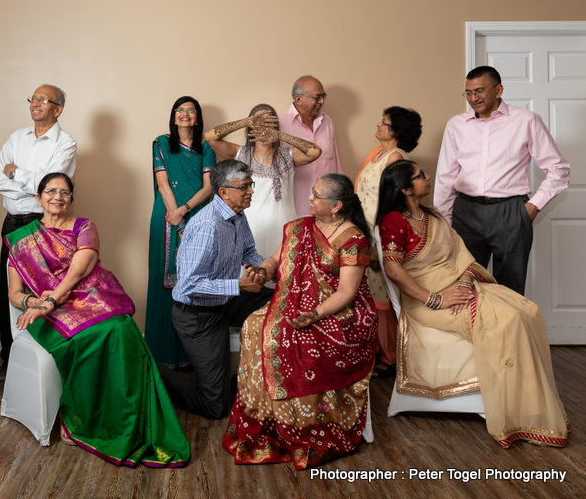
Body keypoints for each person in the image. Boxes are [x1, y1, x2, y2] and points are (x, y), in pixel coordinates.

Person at [377, 159, 569, 448]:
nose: (428, 177)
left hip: (458, 288)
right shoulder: (395, 220)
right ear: (405, 189)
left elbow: (461, 257)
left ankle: (528, 405)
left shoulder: (433, 216)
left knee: (526, 310)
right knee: (507, 320)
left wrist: (465, 283)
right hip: (425, 303)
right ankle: (518, 414)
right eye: (420, 176)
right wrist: (437, 299)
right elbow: (393, 270)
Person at [6, 173, 189, 467]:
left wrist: (52, 299)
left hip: (90, 297)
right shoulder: (22, 240)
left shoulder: (84, 226)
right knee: (88, 338)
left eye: (65, 192)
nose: (58, 197)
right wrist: (34, 302)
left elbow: (78, 271)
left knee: (120, 329)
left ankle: (130, 416)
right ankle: (82, 419)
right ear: (38, 198)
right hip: (48, 312)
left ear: (71, 199)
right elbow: (14, 293)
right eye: (50, 191)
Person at [223, 173, 377, 469]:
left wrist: (315, 314)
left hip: (341, 313)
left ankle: (302, 424)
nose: (309, 198)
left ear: (336, 206)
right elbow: (275, 259)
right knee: (255, 325)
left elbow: (347, 291)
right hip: (295, 303)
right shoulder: (300, 228)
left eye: (316, 196)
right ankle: (267, 418)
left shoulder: (353, 239)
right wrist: (263, 272)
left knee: (293, 339)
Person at [434, 65, 570, 295]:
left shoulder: (526, 121)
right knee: (462, 284)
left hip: (511, 212)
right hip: (465, 213)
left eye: (479, 91)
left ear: (498, 90)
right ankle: (473, 332)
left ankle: (508, 332)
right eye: (468, 92)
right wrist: (443, 224)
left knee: (510, 288)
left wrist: (532, 207)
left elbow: (558, 169)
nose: (473, 98)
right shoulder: (456, 125)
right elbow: (445, 178)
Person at [159, 160, 267, 420]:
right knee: (214, 407)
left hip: (226, 301)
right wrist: (239, 285)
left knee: (280, 302)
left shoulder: (238, 214)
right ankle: (153, 370)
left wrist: (257, 269)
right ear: (223, 192)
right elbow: (189, 285)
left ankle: (244, 377)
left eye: (250, 184)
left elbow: (249, 250)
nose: (251, 191)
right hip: (197, 316)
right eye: (244, 187)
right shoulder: (207, 226)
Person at [0, 84, 77, 381]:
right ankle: (9, 357)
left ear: (58, 109)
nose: (35, 103)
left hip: (43, 224)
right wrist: (28, 182)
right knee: (9, 292)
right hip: (12, 221)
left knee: (43, 290)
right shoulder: (16, 138)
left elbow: (48, 186)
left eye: (43, 99)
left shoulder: (66, 143)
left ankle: (45, 358)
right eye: (33, 98)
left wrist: (15, 173)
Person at [144, 96, 215, 366]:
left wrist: (184, 211)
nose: (185, 114)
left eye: (191, 111)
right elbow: (163, 184)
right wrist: (176, 219)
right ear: (173, 117)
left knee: (195, 280)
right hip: (165, 217)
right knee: (164, 280)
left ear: (197, 118)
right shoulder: (161, 143)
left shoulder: (206, 147)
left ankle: (191, 355)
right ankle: (162, 353)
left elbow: (209, 188)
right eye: (180, 110)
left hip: (197, 214)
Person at [203, 103, 321, 258]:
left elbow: (315, 152)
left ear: (276, 126)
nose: (263, 126)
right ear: (250, 126)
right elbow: (210, 137)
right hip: (249, 229)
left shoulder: (288, 156)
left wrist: (280, 136)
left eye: (268, 122)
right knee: (251, 276)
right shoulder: (240, 153)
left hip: (283, 227)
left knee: (281, 274)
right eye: (258, 122)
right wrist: (245, 122)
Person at [355, 106, 422, 376]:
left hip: (380, 235)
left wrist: (376, 244)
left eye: (384, 123)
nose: (379, 125)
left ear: (396, 132)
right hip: (364, 231)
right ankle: (376, 352)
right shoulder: (377, 153)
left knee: (383, 297)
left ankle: (391, 357)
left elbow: (392, 202)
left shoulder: (396, 157)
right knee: (369, 295)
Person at [279, 75, 343, 217]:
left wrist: (343, 194)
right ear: (298, 99)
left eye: (323, 96)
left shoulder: (327, 121)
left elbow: (335, 160)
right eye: (317, 97)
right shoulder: (281, 125)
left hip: (329, 207)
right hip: (297, 207)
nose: (322, 101)